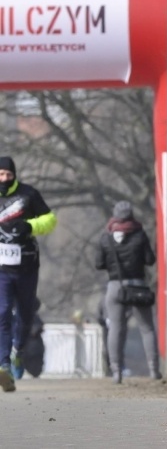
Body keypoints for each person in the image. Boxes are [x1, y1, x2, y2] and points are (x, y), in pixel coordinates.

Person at [0, 156, 57, 393]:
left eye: (8, 175)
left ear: (14, 175)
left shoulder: (28, 194)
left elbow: (50, 219)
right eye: (0, 174)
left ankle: (18, 351)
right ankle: (3, 363)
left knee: (24, 314)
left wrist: (31, 226)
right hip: (2, 268)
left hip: (27, 265)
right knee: (2, 311)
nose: (4, 179)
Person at [94, 200, 160, 383]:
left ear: (115, 216)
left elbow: (99, 264)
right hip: (138, 287)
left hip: (115, 287)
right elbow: (150, 260)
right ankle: (154, 370)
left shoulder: (106, 237)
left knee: (115, 328)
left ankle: (116, 372)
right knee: (147, 329)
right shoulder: (140, 234)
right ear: (131, 215)